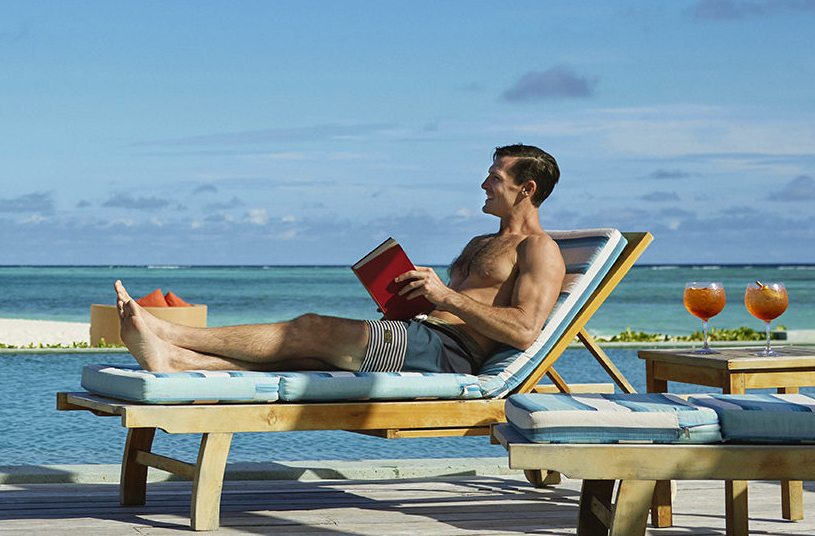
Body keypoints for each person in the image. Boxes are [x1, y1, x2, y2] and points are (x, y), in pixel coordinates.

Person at [115, 145, 566, 376]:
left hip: (451, 354)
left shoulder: (538, 248)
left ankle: (169, 330)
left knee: (310, 327)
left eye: (495, 178)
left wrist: (445, 295)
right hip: (422, 334)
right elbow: (459, 303)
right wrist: (414, 302)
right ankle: (178, 361)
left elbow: (525, 331)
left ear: (526, 189)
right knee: (309, 358)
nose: (483, 185)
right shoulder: (481, 240)